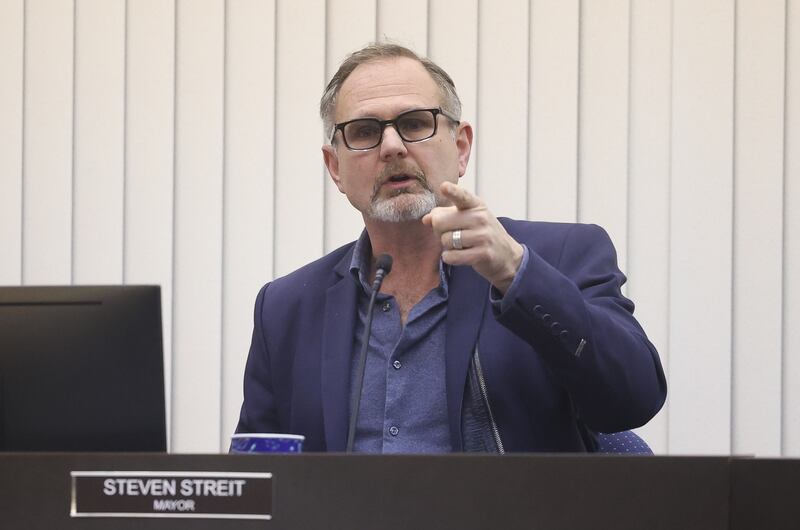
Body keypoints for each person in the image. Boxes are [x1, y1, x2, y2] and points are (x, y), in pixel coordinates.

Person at [235, 43, 666, 453]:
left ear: (460, 148)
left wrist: (518, 275)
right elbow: (256, 484)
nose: (392, 147)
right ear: (335, 168)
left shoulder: (561, 255)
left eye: (415, 123)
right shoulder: (286, 307)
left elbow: (633, 399)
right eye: (364, 132)